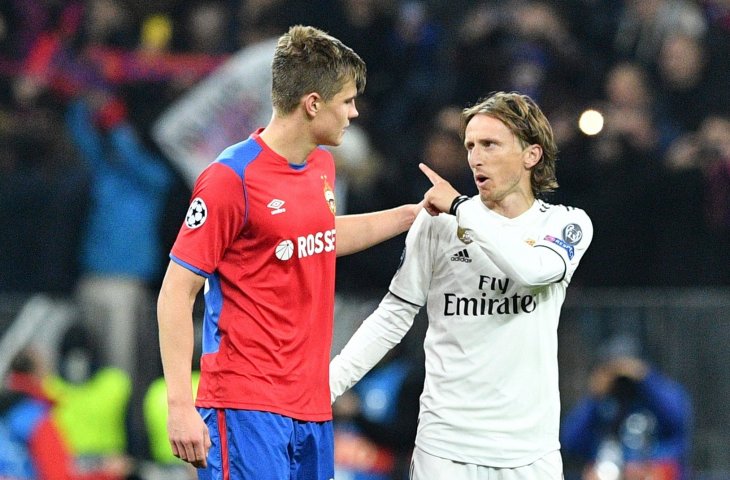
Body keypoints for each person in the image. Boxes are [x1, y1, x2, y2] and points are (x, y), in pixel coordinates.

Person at [156, 25, 419, 479]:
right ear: (313, 103)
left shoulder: (320, 164)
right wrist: (180, 406)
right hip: (244, 405)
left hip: (310, 405)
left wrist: (409, 216)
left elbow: (318, 237)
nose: (354, 113)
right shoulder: (230, 178)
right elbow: (176, 294)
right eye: (347, 101)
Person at [330, 91, 593, 479]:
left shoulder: (564, 224)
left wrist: (461, 208)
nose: (475, 157)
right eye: (470, 145)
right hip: (446, 449)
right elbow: (393, 315)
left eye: (489, 144)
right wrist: (329, 385)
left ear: (531, 155)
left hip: (529, 452)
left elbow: (533, 271)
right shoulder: (438, 224)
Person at [560, 334, 693, 480]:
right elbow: (570, 442)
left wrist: (645, 379)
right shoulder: (602, 399)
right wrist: (594, 397)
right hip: (612, 468)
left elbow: (679, 420)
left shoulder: (658, 392)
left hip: (652, 466)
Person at [0, 347, 130, 480]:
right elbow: (59, 477)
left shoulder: (9, 414)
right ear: (38, 376)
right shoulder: (36, 420)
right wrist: (108, 474)